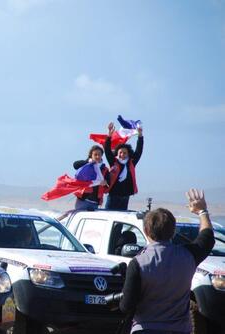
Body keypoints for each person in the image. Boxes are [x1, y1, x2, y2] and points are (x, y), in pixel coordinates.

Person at [119, 189, 215, 334]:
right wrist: (202, 211)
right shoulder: (188, 255)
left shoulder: (138, 263)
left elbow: (126, 306)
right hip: (179, 330)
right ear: (173, 230)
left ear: (146, 230)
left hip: (145, 329)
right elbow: (207, 237)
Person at [104, 122, 143, 210]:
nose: (122, 154)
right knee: (109, 215)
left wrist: (140, 136)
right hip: (113, 196)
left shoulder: (131, 163)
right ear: (117, 153)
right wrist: (109, 135)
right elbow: (107, 150)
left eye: (125, 153)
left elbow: (139, 151)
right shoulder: (113, 162)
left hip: (125, 197)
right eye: (120, 152)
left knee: (120, 219)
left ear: (128, 154)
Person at [73, 145, 109, 210]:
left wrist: (105, 183)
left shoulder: (105, 169)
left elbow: (108, 184)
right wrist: (88, 162)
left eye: (99, 154)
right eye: (95, 154)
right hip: (83, 200)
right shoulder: (86, 165)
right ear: (91, 155)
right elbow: (75, 165)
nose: (97, 156)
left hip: (95, 202)